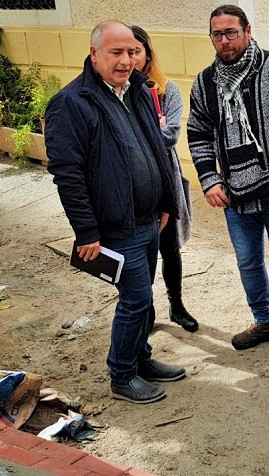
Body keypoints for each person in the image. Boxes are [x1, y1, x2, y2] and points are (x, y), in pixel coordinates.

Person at [45, 20, 186, 404]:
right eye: (116, 53)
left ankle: (142, 359)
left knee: (145, 295)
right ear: (94, 54)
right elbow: (67, 174)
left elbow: (157, 149)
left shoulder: (137, 90)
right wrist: (87, 232)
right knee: (136, 300)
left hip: (148, 220)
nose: (126, 61)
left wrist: (165, 205)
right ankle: (122, 376)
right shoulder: (71, 104)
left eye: (131, 52)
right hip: (115, 226)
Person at [187, 5, 269, 358]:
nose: (225, 40)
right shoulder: (204, 83)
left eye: (231, 32)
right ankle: (264, 322)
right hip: (234, 195)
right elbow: (198, 133)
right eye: (217, 34)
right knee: (248, 262)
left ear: (247, 31)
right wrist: (209, 179)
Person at [131, 25, 198, 332]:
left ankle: (177, 306)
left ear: (147, 53)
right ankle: (145, 312)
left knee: (169, 247)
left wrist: (144, 131)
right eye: (123, 52)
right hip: (133, 183)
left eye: (136, 51)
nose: (130, 59)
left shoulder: (165, 89)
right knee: (142, 250)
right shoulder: (117, 93)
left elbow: (170, 135)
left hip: (165, 178)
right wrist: (151, 128)